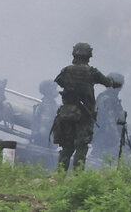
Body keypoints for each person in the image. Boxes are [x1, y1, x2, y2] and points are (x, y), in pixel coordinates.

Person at [52, 43, 122, 171]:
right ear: (88, 55)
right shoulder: (92, 72)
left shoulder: (66, 70)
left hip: (66, 113)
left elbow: (59, 82)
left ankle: (59, 175)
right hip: (84, 115)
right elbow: (108, 82)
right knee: (81, 146)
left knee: (66, 147)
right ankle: (78, 176)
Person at [91, 73, 126, 159]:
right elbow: (110, 120)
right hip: (104, 136)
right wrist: (118, 139)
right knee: (100, 159)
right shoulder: (107, 99)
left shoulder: (112, 99)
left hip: (108, 136)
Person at [31, 80, 59, 147]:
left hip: (45, 136)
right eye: (54, 88)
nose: (56, 91)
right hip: (43, 137)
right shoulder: (47, 103)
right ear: (48, 90)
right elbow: (45, 120)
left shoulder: (51, 102)